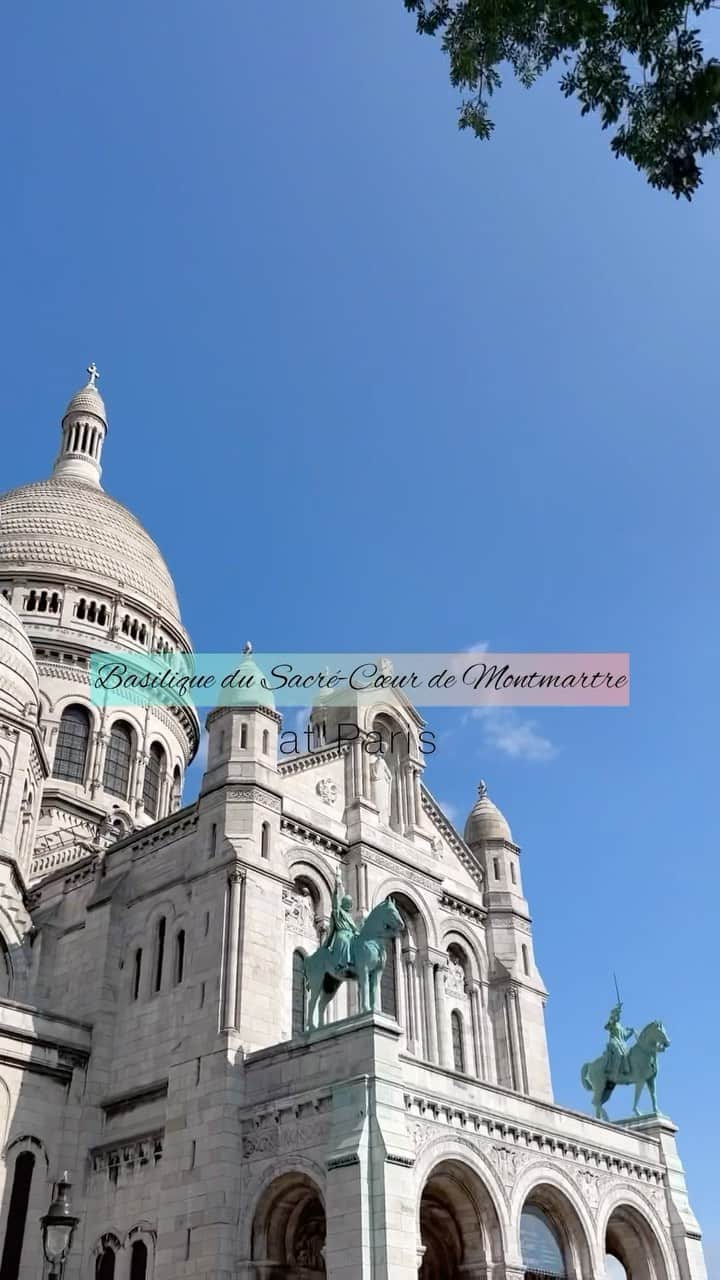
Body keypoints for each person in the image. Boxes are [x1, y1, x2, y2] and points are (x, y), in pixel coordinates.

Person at [325, 868, 359, 974]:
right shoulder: (338, 911)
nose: (350, 906)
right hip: (342, 934)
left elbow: (354, 929)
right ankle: (342, 964)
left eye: (351, 904)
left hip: (350, 935)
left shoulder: (349, 916)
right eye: (349, 904)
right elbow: (335, 899)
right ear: (344, 904)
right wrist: (337, 881)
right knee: (345, 941)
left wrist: (357, 933)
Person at [603, 1003, 635, 1080]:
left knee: (628, 1054)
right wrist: (616, 1010)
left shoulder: (621, 1027)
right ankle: (613, 1072)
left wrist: (631, 1032)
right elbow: (606, 1027)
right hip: (614, 1042)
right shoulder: (612, 1023)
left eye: (618, 1014)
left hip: (622, 1044)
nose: (618, 1016)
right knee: (619, 1054)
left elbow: (625, 1037)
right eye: (617, 1014)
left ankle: (625, 1070)